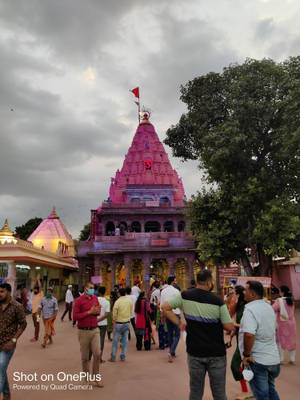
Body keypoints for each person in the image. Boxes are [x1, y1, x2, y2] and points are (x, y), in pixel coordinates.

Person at [162, 269, 233, 400]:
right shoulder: (217, 301)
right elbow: (228, 326)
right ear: (209, 282)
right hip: (216, 353)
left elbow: (165, 307)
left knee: (195, 392)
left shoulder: (185, 296)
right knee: (219, 393)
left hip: (195, 352)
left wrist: (179, 323)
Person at [239, 281, 280, 400]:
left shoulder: (250, 310)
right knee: (271, 391)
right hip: (273, 360)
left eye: (246, 290)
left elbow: (249, 335)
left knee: (262, 395)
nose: (243, 292)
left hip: (258, 361)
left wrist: (246, 355)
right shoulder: (268, 307)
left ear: (252, 294)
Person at [73, 282, 103, 387]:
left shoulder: (95, 298)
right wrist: (89, 312)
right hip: (83, 331)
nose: (92, 290)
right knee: (85, 357)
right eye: (90, 288)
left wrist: (96, 311)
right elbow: (75, 316)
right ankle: (86, 379)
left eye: (93, 288)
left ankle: (96, 377)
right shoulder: (78, 301)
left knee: (97, 353)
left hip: (95, 330)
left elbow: (98, 311)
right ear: (85, 288)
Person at [0, 283, 27, 399]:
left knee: (0, 367)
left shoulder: (17, 306)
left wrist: (14, 340)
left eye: (2, 291)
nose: (0, 294)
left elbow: (23, 324)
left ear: (9, 292)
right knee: (1, 369)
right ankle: (7, 394)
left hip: (7, 345)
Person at [229, 285, 252, 400]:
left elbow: (248, 326)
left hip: (246, 340)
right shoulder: (239, 306)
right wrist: (233, 331)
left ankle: (249, 391)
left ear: (238, 294)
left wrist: (234, 325)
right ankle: (246, 391)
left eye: (234, 293)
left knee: (235, 365)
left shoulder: (247, 307)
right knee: (243, 366)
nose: (233, 296)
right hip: (240, 339)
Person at [272, 285, 296, 365]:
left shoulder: (279, 301)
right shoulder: (291, 300)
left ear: (282, 292)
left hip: (282, 324)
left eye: (279, 291)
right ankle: (292, 358)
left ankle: (281, 358)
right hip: (291, 323)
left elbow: (273, 309)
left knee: (280, 341)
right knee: (291, 340)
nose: (279, 293)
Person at [160, 275, 181, 362]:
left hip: (167, 314)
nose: (175, 282)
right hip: (175, 314)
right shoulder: (176, 291)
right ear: (173, 282)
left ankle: (172, 352)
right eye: (175, 280)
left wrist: (162, 316)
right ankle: (171, 351)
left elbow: (162, 305)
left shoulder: (163, 291)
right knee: (177, 334)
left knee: (170, 334)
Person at [109, 288, 133, 362]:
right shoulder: (129, 301)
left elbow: (114, 312)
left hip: (118, 323)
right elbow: (131, 311)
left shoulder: (117, 302)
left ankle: (113, 357)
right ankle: (123, 356)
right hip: (127, 323)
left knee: (115, 341)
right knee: (125, 341)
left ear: (119, 293)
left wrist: (114, 319)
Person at [97, 286, 110, 363]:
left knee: (93, 340)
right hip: (103, 323)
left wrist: (96, 320)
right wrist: (99, 320)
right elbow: (106, 314)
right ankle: (100, 358)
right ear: (105, 292)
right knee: (101, 340)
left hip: (94, 323)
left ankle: (91, 357)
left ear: (98, 292)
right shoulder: (107, 301)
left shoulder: (94, 300)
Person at [30, 274, 44, 342]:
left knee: (37, 324)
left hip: (38, 312)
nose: (35, 290)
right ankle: (36, 335)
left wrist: (38, 280)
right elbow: (33, 287)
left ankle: (36, 337)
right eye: (34, 289)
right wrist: (35, 280)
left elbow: (40, 287)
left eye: (36, 289)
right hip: (33, 312)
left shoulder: (40, 293)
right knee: (35, 325)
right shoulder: (34, 294)